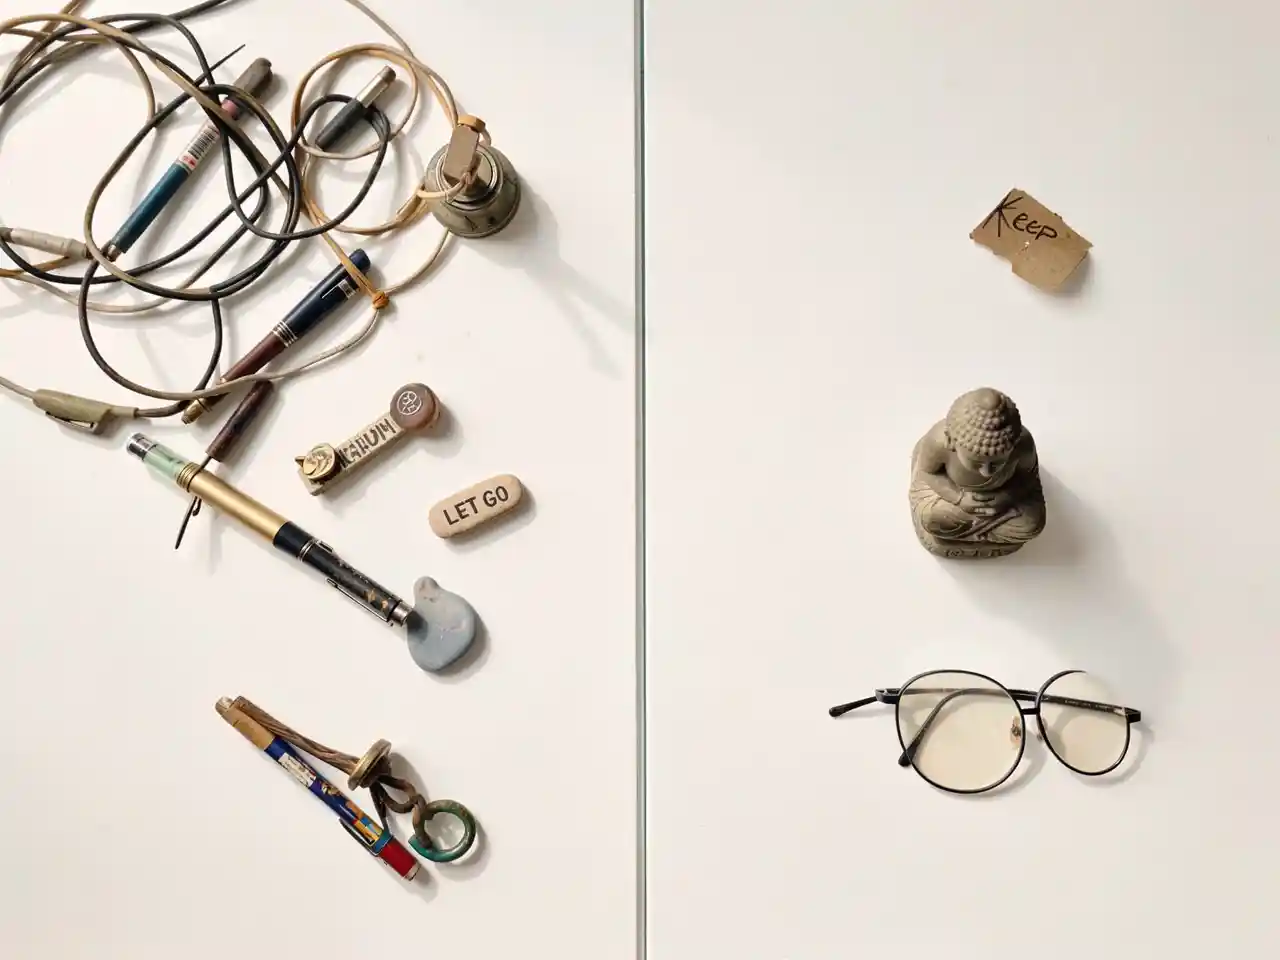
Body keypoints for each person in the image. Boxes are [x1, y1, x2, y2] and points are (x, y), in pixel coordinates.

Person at [908, 387, 1046, 558]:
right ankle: (983, 533)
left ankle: (970, 533)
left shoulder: (1023, 446)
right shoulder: (938, 443)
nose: (986, 472)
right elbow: (927, 474)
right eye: (977, 463)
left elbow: (1028, 478)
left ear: (1014, 444)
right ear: (951, 441)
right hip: (954, 499)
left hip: (1003, 503)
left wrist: (1006, 497)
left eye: (996, 463)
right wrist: (959, 498)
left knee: (1031, 524)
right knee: (933, 519)